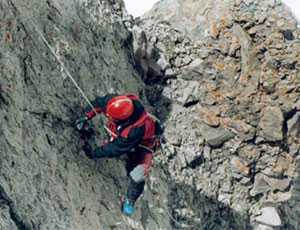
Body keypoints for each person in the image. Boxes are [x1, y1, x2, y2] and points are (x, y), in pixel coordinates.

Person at [75, 94, 159, 216]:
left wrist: (93, 152)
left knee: (137, 174)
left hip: (145, 144)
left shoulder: (134, 131)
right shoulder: (115, 103)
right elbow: (98, 104)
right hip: (125, 134)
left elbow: (115, 149)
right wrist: (85, 116)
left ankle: (131, 200)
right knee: (116, 138)